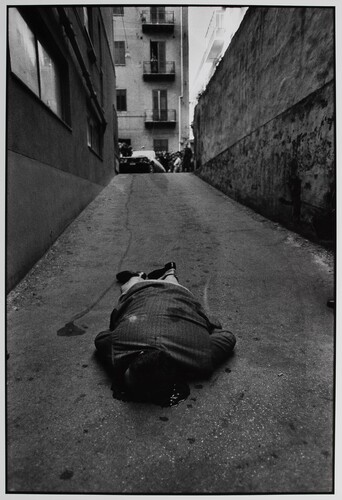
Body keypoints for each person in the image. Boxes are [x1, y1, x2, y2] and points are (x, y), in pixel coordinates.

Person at [94, 262, 236, 405]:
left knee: (155, 285)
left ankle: (163, 273)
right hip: (146, 293)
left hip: (177, 294)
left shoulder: (201, 356)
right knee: (128, 288)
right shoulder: (118, 349)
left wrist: (204, 328)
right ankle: (151, 275)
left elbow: (227, 337)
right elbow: (102, 337)